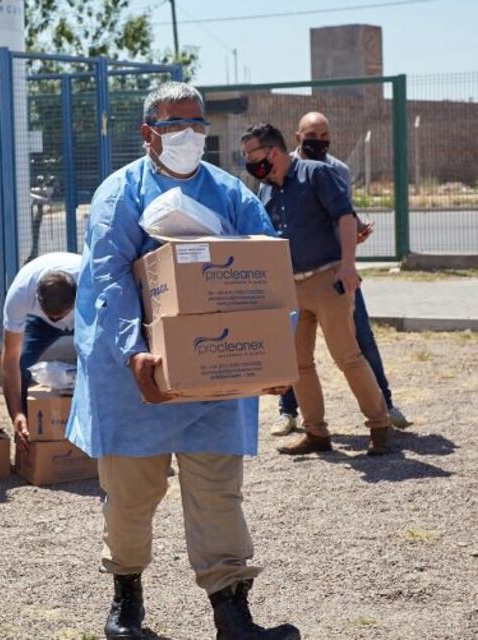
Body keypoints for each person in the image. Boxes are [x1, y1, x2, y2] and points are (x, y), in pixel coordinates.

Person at [66, 83, 300, 640]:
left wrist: (270, 353)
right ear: (149, 133)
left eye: (197, 125)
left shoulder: (230, 194)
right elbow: (108, 280)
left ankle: (232, 613)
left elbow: (266, 271)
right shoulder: (119, 194)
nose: (190, 136)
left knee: (219, 490)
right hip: (135, 377)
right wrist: (134, 352)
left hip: (215, 373)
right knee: (130, 493)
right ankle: (126, 603)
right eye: (176, 126)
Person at [241, 123, 394, 457]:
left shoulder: (317, 175)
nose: (249, 163)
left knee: (348, 357)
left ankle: (380, 426)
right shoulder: (265, 189)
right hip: (289, 288)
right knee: (298, 364)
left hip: (328, 280)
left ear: (274, 151)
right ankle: (316, 433)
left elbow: (345, 218)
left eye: (251, 155)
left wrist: (349, 264)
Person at [271, 111, 410, 436]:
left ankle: (384, 406)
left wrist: (353, 245)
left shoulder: (338, 170)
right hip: (295, 278)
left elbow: (342, 214)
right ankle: (288, 412)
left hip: (336, 271)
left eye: (323, 135)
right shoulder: (281, 169)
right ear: (297, 137)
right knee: (295, 353)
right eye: (311, 135)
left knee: (361, 340)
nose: (318, 141)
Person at [0, 252, 80, 442]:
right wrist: (16, 413)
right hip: (40, 323)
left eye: (60, 316)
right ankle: (29, 434)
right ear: (37, 297)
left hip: (82, 317)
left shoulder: (91, 280)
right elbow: (9, 359)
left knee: (97, 365)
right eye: (52, 315)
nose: (57, 320)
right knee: (21, 363)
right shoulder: (20, 295)